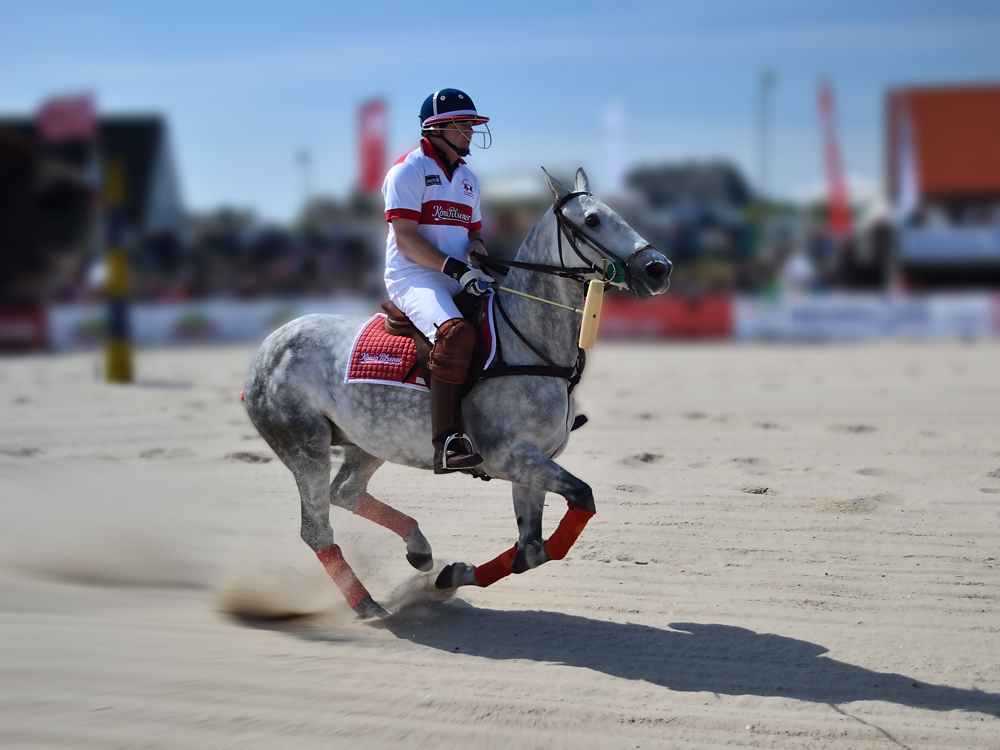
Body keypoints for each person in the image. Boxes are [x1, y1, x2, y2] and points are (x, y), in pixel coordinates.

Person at [381, 88, 495, 473]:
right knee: (457, 335)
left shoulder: (469, 179)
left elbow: (474, 233)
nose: (469, 133)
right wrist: (456, 269)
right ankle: (446, 443)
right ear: (436, 129)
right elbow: (406, 239)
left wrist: (477, 251)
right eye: (462, 126)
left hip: (458, 275)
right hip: (414, 277)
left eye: (471, 126)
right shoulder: (407, 171)